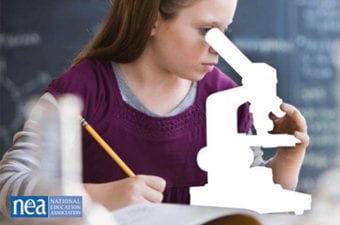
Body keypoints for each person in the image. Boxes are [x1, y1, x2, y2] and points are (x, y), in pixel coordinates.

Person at [0, 0, 309, 214]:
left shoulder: (227, 99)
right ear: (152, 20)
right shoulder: (80, 93)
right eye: (206, 30)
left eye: (224, 32)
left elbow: (250, 203)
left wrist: (288, 158)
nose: (217, 47)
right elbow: (10, 199)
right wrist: (94, 198)